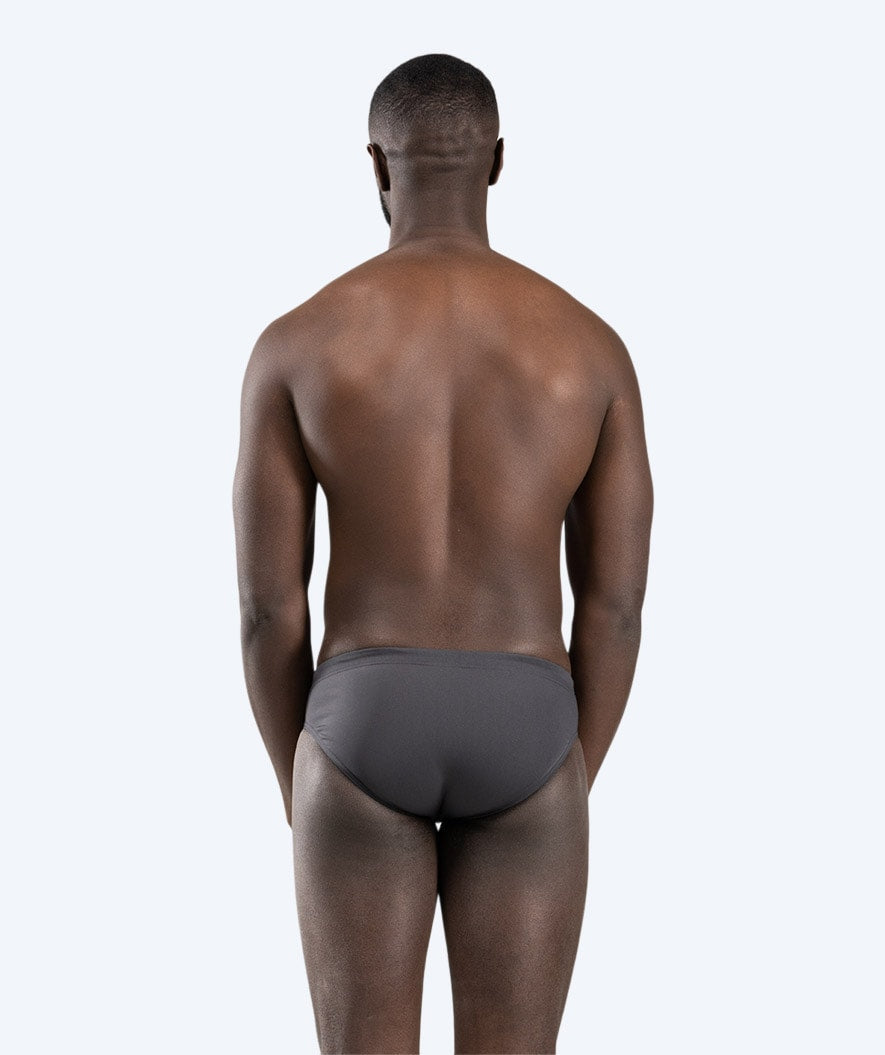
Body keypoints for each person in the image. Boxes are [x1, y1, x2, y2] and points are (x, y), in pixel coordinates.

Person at [232, 52, 653, 1055]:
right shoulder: (589, 348)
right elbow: (614, 606)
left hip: (363, 709)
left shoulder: (298, 344)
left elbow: (268, 609)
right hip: (529, 707)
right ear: (497, 160)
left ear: (376, 166)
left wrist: (305, 777)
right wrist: (564, 766)